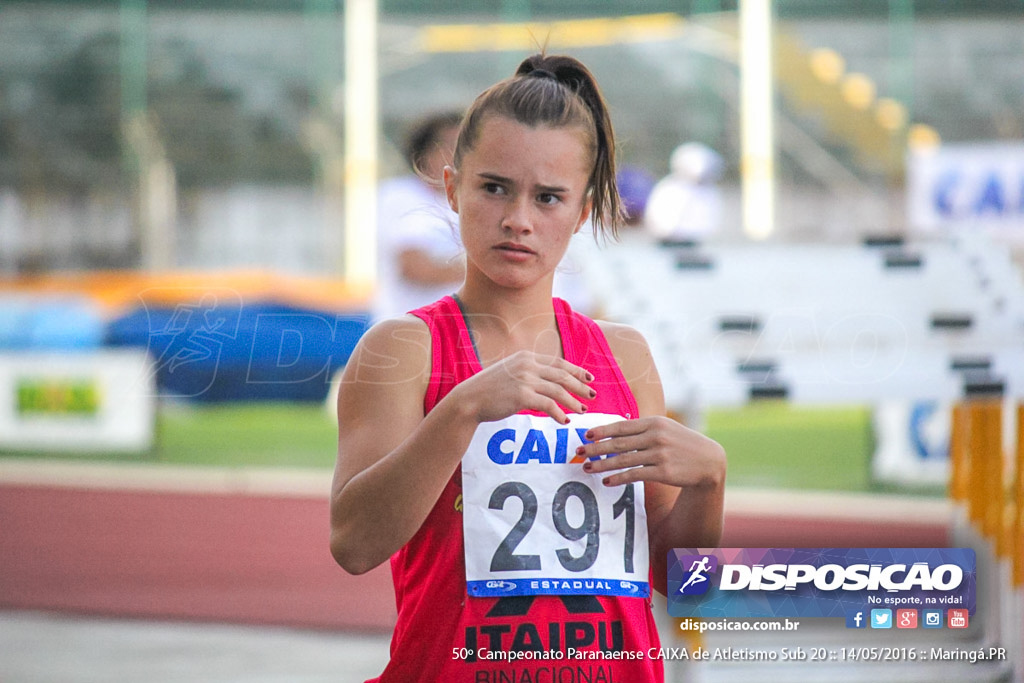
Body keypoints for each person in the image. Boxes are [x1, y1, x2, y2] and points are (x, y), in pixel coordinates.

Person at [330, 53, 726, 683]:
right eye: (494, 188)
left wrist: (709, 484)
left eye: (549, 197)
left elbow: (683, 588)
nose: (519, 219)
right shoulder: (403, 348)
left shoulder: (624, 354)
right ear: (452, 186)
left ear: (584, 208)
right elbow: (354, 544)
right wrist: (462, 409)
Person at [372, 112, 465, 322]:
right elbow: (416, 269)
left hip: (460, 334)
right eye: (451, 146)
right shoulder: (401, 195)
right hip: (410, 333)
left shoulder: (473, 201)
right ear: (424, 154)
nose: (460, 155)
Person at [645, 142, 724, 243]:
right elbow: (659, 223)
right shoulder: (670, 188)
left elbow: (709, 224)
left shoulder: (710, 192)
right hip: (667, 243)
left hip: (697, 244)